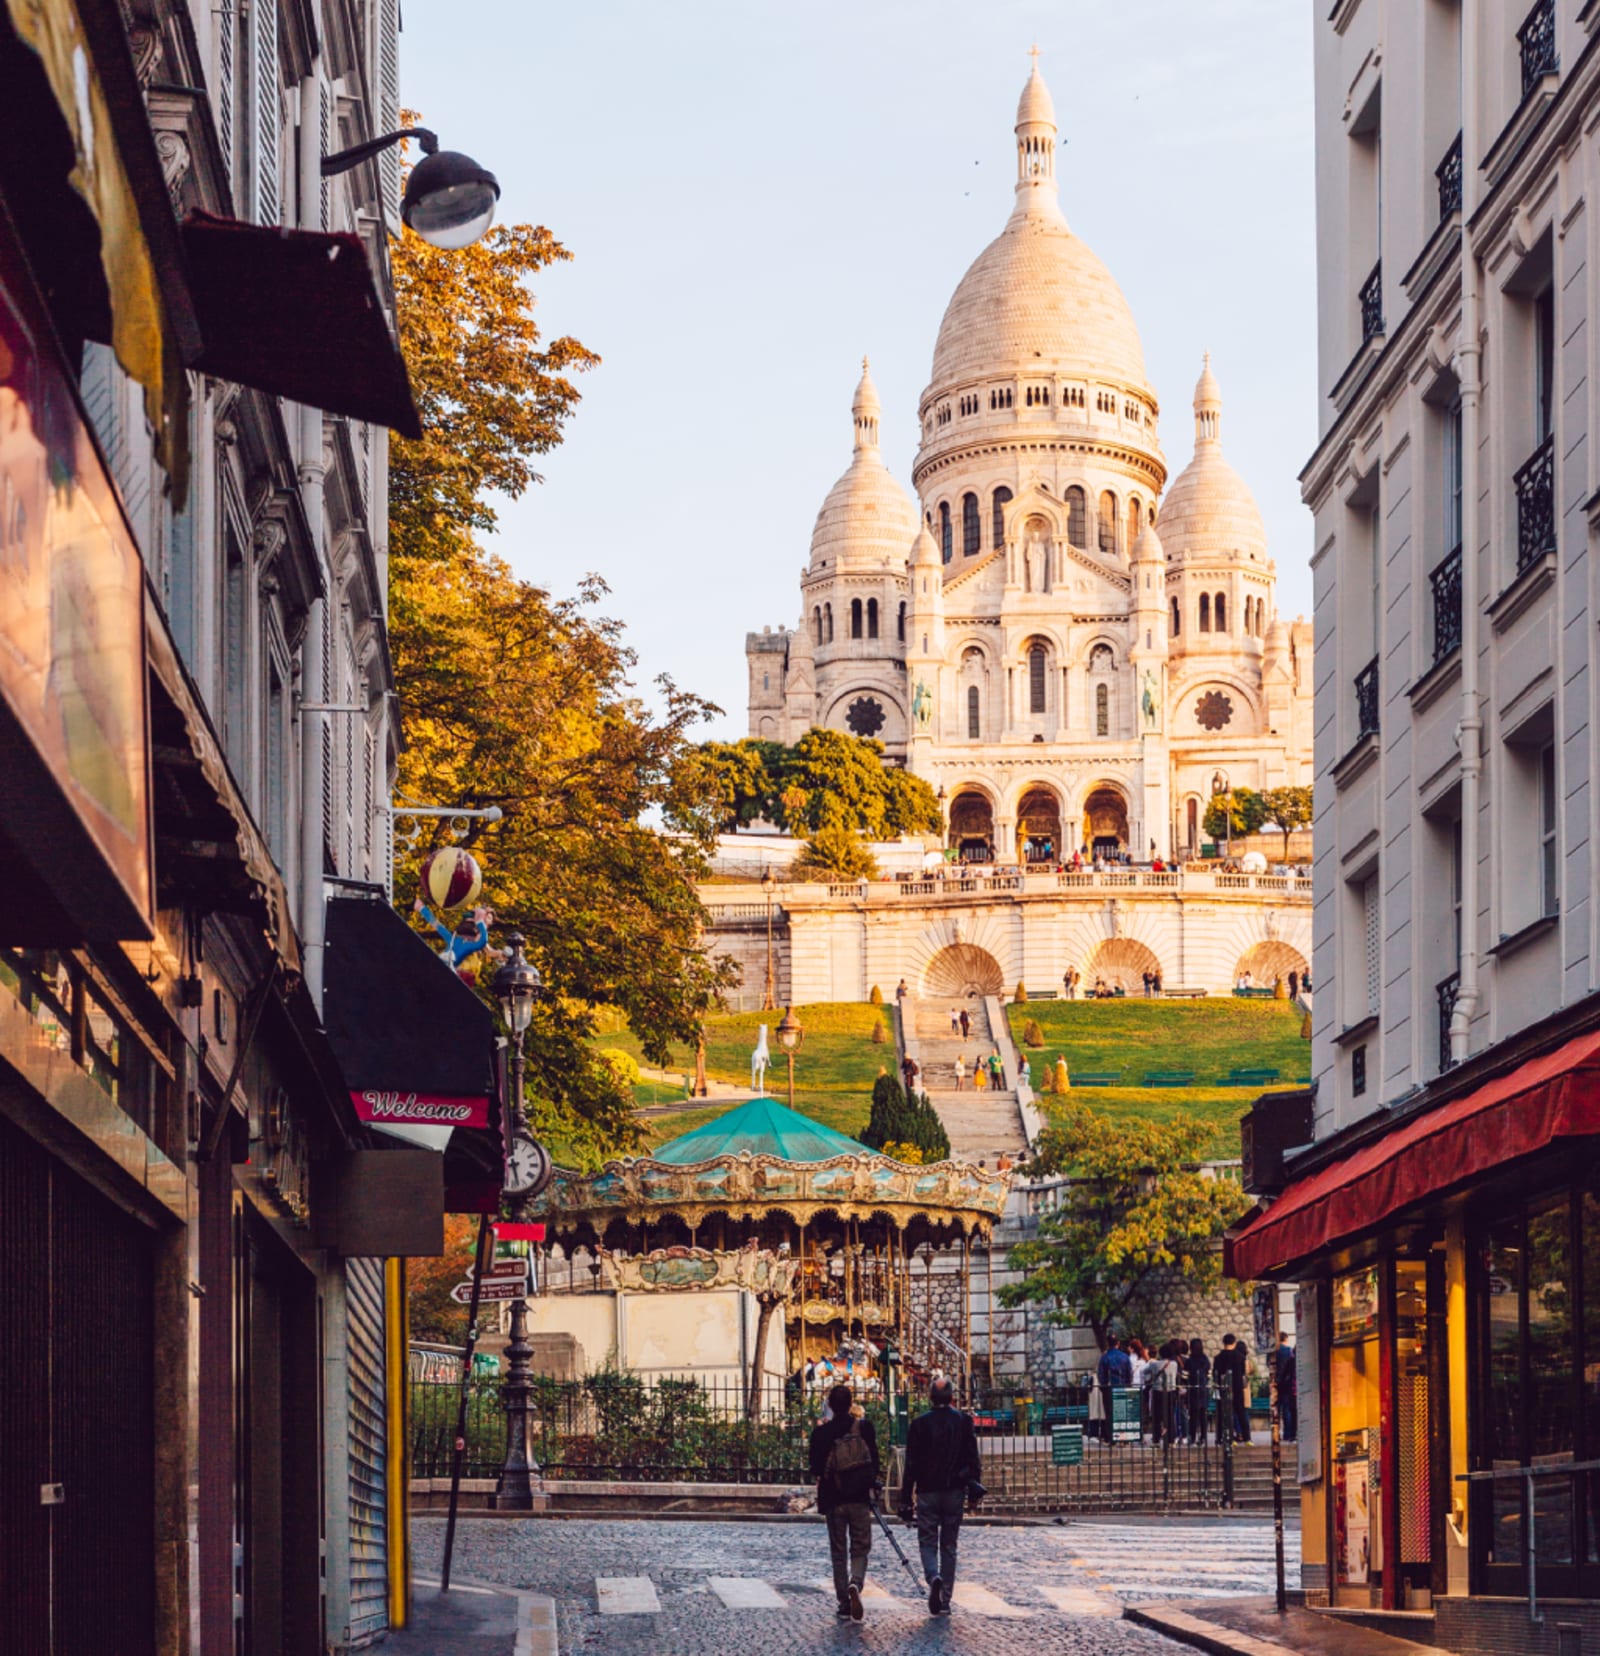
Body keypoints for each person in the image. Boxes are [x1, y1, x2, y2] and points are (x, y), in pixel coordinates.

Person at [899, 1377, 981, 1617]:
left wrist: (906, 1497)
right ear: (952, 1398)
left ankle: (933, 1575)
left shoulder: (919, 1424)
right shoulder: (963, 1421)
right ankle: (945, 1598)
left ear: (930, 1397)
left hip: (927, 1490)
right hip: (954, 1489)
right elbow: (972, 1458)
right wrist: (974, 1487)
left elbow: (911, 1464)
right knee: (949, 1544)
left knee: (927, 1540)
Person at [808, 1383, 881, 1621]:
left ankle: (843, 1600)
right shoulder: (864, 1428)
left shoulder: (821, 1433)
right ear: (851, 1404)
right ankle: (856, 1582)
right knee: (860, 1546)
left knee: (838, 1550)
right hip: (860, 1497)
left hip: (833, 1499)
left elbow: (815, 1468)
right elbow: (875, 1461)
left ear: (829, 1405)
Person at [1214, 1333, 1252, 1443]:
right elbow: (1243, 1373)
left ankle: (1222, 1437)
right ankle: (1247, 1437)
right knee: (1240, 1412)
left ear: (1223, 1343)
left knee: (1223, 1414)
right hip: (1238, 1388)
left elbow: (1215, 1374)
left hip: (1224, 1388)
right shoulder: (1240, 1357)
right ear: (1234, 1343)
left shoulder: (1219, 1357)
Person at [1096, 1337, 1132, 1442]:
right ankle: (1124, 1438)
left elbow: (1101, 1374)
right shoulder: (1125, 1357)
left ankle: (1110, 1437)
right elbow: (1129, 1373)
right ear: (1118, 1343)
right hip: (1123, 1386)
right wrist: (1128, 1385)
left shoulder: (1105, 1357)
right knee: (1123, 1413)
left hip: (1109, 1387)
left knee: (1109, 1414)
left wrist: (1103, 1386)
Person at [1186, 1338, 1212, 1444]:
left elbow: (1185, 1375)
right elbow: (1209, 1374)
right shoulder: (1205, 1360)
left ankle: (1192, 1436)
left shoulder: (1189, 1360)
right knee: (1203, 1414)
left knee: (1193, 1415)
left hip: (1192, 1389)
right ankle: (1203, 1436)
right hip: (1203, 1389)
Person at [1274, 1332, 1298, 1443]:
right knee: (1292, 1411)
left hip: (1281, 1385)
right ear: (1286, 1339)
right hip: (1292, 1387)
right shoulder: (1289, 1352)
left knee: (1283, 1410)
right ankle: (1291, 1434)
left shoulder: (1275, 1352)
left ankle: (1284, 1433)